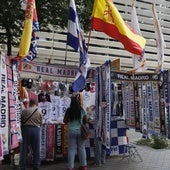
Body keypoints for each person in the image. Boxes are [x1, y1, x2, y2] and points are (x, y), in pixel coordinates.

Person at [63, 96, 88, 170]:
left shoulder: (68, 110)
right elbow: (85, 120)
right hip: (80, 131)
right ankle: (83, 166)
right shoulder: (81, 110)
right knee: (81, 148)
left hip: (71, 130)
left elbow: (65, 121)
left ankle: (70, 167)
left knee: (71, 149)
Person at [20, 99, 43, 170]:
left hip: (26, 130)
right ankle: (36, 165)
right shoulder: (39, 111)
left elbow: (21, 120)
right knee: (36, 149)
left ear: (30, 103)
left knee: (24, 149)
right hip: (36, 130)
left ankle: (23, 166)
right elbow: (41, 122)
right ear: (35, 103)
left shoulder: (25, 111)